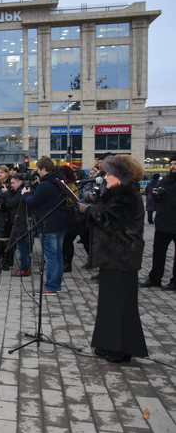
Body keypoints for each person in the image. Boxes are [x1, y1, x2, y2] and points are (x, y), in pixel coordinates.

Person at [77, 155, 148, 363]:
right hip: (111, 256)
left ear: (120, 176)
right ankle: (108, 342)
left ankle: (124, 348)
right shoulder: (115, 194)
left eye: (109, 173)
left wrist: (90, 210)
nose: (105, 177)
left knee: (122, 305)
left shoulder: (126, 196)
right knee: (109, 304)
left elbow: (109, 222)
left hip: (123, 257)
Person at [21, 157, 68, 295]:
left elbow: (33, 201)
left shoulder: (45, 184)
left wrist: (25, 195)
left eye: (38, 170)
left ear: (44, 169)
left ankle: (51, 286)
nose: (37, 173)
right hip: (60, 223)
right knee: (58, 255)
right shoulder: (60, 181)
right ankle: (56, 284)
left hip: (48, 225)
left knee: (51, 257)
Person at [142, 157, 176, 290]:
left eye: (175, 164)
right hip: (163, 222)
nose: (173, 166)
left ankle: (174, 282)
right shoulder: (166, 180)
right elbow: (157, 195)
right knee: (158, 253)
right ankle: (155, 279)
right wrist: (156, 194)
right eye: (171, 164)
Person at [8, 175, 31, 277]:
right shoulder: (22, 191)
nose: (11, 185)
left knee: (23, 248)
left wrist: (6, 194)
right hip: (24, 223)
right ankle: (26, 267)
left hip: (21, 223)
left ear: (20, 182)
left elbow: (11, 203)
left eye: (13, 183)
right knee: (25, 247)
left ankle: (24, 268)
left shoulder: (21, 193)